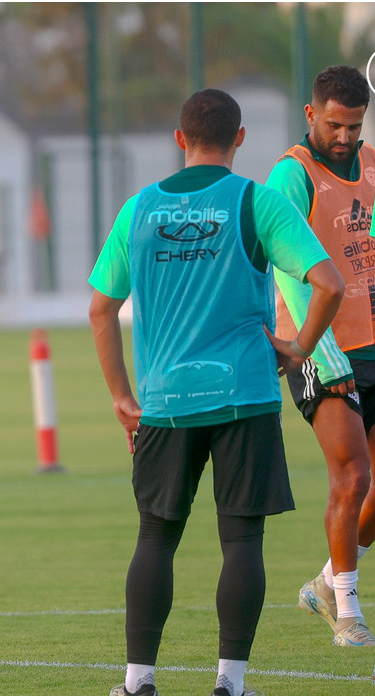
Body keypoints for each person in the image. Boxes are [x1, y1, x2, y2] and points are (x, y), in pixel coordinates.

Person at [88, 89, 344, 696]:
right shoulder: (258, 202)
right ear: (241, 138)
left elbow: (101, 309)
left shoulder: (138, 210)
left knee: (156, 535)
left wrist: (122, 396)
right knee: (242, 540)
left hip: (165, 400)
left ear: (180, 139)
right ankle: (229, 683)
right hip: (244, 395)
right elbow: (327, 283)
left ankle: (137, 681)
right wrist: (301, 347)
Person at [268, 64, 375, 647]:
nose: (345, 137)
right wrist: (317, 345)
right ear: (312, 114)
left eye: (355, 126)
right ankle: (350, 612)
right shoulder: (291, 176)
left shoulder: (373, 165)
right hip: (316, 348)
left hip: (374, 339)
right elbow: (289, 271)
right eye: (335, 124)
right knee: (353, 474)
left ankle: (326, 582)